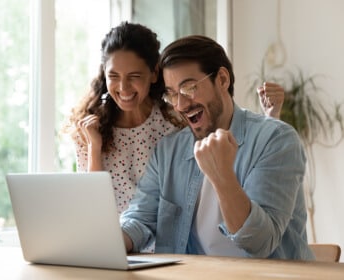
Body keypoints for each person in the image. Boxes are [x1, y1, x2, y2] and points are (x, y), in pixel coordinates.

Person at [120, 35, 314, 260]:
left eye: (189, 88)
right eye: (172, 94)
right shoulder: (168, 151)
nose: (180, 105)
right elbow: (140, 219)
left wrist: (222, 176)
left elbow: (260, 242)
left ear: (222, 79)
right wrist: (108, 239)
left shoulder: (276, 140)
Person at [66, 22, 284, 214]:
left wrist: (271, 119)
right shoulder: (91, 129)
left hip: (165, 246)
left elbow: (227, 148)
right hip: (115, 241)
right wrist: (95, 148)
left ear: (153, 74)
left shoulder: (173, 121)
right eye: (113, 76)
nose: (123, 88)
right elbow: (92, 207)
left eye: (134, 76)